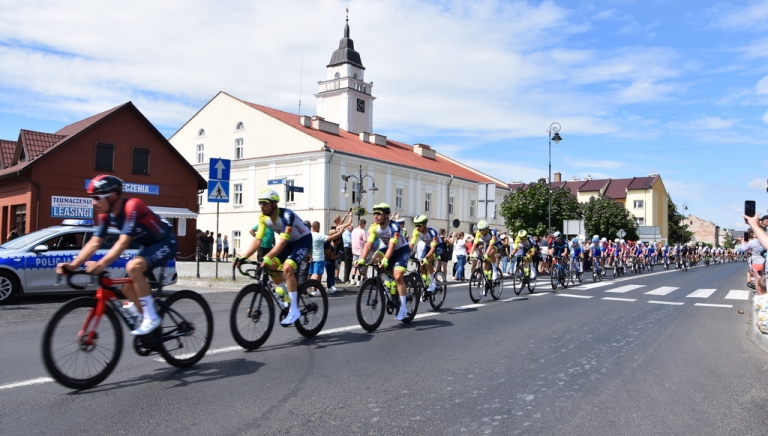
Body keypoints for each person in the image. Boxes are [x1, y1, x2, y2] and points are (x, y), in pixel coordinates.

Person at [56, 174, 177, 335]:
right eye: (92, 198)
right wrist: (73, 265)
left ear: (112, 197)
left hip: (166, 242)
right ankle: (151, 327)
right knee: (127, 287)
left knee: (133, 266)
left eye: (97, 197)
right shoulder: (106, 214)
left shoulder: (132, 206)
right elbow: (95, 242)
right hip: (148, 245)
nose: (93, 202)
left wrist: (101, 264)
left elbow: (123, 242)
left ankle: (151, 317)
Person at [234, 188, 312, 325]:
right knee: (270, 266)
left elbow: (282, 241)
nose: (261, 206)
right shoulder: (263, 218)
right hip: (288, 243)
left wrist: (267, 256)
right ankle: (287, 297)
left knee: (287, 268)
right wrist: (244, 257)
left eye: (265, 203)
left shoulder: (287, 215)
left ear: (274, 204)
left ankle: (294, 310)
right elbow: (258, 240)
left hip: (302, 240)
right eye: (260, 203)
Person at [356, 203, 411, 321]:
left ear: (386, 215)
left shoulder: (394, 227)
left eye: (379, 214)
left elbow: (392, 246)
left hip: (401, 249)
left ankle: (403, 307)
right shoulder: (374, 227)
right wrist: (361, 259)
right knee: (373, 260)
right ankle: (387, 281)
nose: (375, 216)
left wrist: (385, 260)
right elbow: (368, 245)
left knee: (398, 276)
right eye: (374, 213)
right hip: (387, 248)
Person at [309, 214, 353, 294]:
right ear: (317, 227)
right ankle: (314, 289)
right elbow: (330, 237)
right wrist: (340, 232)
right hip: (319, 257)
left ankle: (316, 289)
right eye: (319, 227)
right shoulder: (318, 235)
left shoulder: (310, 235)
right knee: (317, 274)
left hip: (312, 257)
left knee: (317, 274)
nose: (320, 228)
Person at [409, 215, 444, 293]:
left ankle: (433, 282)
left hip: (438, 246)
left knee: (428, 261)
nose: (417, 227)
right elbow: (411, 244)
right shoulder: (416, 231)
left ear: (425, 224)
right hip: (427, 245)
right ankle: (426, 279)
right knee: (421, 266)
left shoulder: (432, 232)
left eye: (419, 225)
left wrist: (426, 257)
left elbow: (433, 249)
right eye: (416, 225)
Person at [350, 218, 368, 285]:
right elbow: (365, 242)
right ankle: (358, 281)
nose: (365, 226)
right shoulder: (363, 232)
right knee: (360, 267)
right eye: (364, 224)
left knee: (354, 265)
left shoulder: (353, 230)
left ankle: (352, 279)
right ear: (362, 224)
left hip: (354, 250)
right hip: (361, 250)